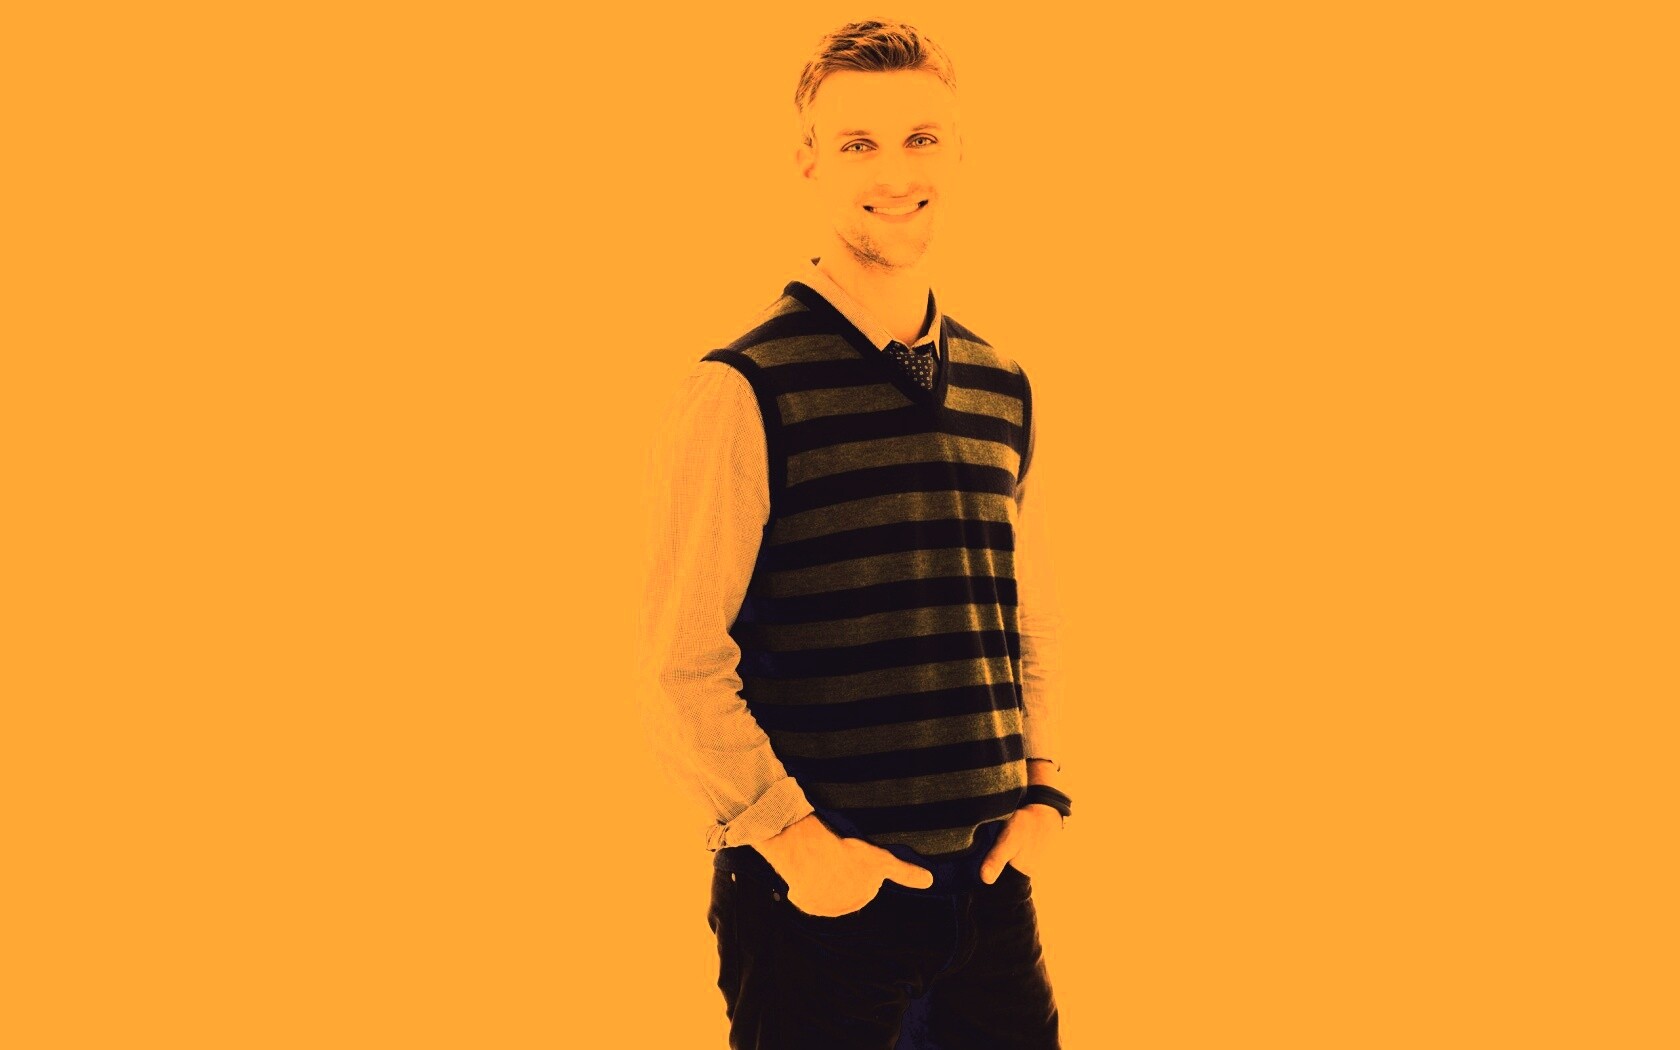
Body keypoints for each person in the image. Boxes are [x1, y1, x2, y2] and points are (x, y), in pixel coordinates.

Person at [637, 19, 1070, 1049]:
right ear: (809, 161)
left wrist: (1044, 785)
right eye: (858, 143)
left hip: (988, 893)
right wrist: (798, 846)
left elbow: (1021, 614)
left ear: (958, 154)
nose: (896, 172)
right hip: (821, 908)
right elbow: (680, 663)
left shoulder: (1002, 385)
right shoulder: (744, 386)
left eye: (922, 139)